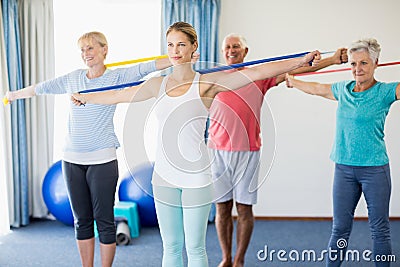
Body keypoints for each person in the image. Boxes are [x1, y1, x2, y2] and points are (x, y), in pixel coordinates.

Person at [71, 22, 320, 267]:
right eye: (170, 45)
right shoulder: (157, 84)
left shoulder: (206, 84)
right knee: (170, 249)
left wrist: (300, 61)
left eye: (181, 44)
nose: (175, 51)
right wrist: (86, 97)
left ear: (194, 48)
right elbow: (117, 95)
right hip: (163, 180)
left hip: (197, 178)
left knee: (195, 249)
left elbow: (257, 72)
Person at [4, 31, 171, 267]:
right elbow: (42, 88)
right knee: (81, 220)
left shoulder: (117, 77)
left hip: (102, 159)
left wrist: (177, 58)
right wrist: (13, 95)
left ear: (105, 50)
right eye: (83, 50)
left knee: (104, 220)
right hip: (71, 159)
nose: (86, 54)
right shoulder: (73, 78)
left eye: (91, 48)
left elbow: (146, 67)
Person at [207, 33, 348, 267]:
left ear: (245, 51)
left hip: (248, 150)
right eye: (227, 47)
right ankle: (226, 258)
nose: (231, 50)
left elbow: (299, 70)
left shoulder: (258, 75)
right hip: (217, 151)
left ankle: (239, 259)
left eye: (236, 47)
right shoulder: (214, 77)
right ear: (222, 52)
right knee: (222, 208)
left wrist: (332, 60)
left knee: (244, 208)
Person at [286, 38, 399, 267]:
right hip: (344, 169)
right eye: (354, 63)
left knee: (380, 230)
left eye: (364, 63)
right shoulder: (343, 90)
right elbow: (317, 89)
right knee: (339, 229)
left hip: (375, 170)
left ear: (376, 63)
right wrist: (292, 81)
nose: (358, 69)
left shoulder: (386, 92)